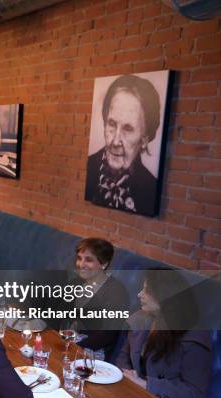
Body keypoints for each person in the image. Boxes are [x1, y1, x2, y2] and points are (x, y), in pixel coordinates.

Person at [101, 269, 216, 398]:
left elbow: (194, 392)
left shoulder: (194, 337)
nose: (139, 295)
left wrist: (145, 384)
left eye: (146, 291)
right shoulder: (141, 319)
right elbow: (122, 358)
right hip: (137, 397)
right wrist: (126, 376)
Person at [85, 74, 161, 216]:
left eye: (127, 129)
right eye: (112, 124)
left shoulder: (150, 189)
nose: (115, 141)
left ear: (144, 139)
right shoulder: (87, 169)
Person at [72, 237, 129, 359]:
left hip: (93, 351)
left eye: (88, 260)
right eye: (79, 258)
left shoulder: (116, 292)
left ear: (104, 264)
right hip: (71, 340)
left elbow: (107, 335)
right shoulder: (78, 282)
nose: (81, 264)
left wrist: (73, 344)